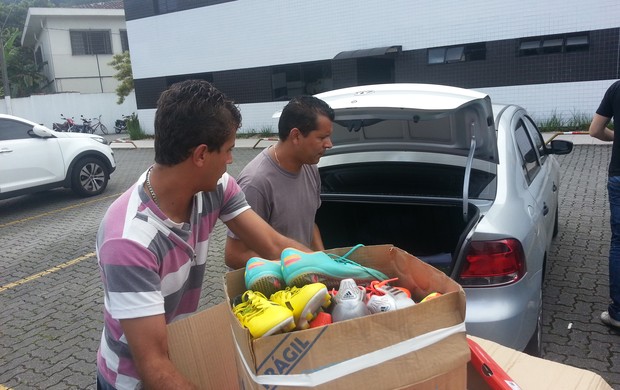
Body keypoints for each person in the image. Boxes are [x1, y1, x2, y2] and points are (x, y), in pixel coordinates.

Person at [95, 79, 311, 390]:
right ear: (200, 155)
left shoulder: (214, 188)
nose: (230, 161)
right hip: (133, 381)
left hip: (180, 351)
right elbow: (154, 366)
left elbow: (273, 244)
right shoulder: (129, 241)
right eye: (228, 150)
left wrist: (337, 271)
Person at [224, 95, 334, 269]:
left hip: (303, 276)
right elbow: (234, 255)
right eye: (322, 138)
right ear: (296, 136)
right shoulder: (256, 182)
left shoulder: (310, 167)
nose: (329, 144)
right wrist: (296, 265)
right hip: (272, 288)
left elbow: (308, 223)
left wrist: (324, 262)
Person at [589, 80, 620, 329]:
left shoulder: (617, 88)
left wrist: (615, 137)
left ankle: (618, 314)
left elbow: (595, 130)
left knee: (619, 242)